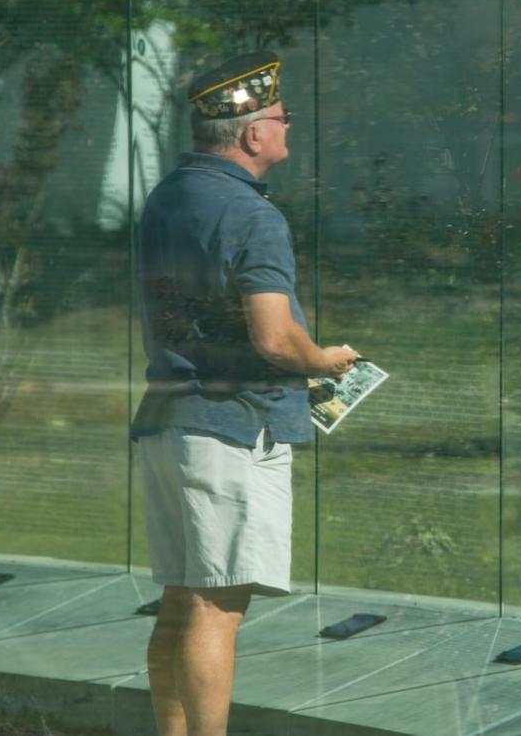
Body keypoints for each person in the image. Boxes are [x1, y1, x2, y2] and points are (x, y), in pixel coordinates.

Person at [131, 51, 358, 736]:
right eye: (283, 119)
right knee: (216, 608)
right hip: (234, 428)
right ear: (254, 135)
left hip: (171, 420)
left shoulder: (169, 194)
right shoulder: (253, 216)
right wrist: (325, 358)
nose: (290, 129)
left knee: (179, 603)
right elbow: (273, 338)